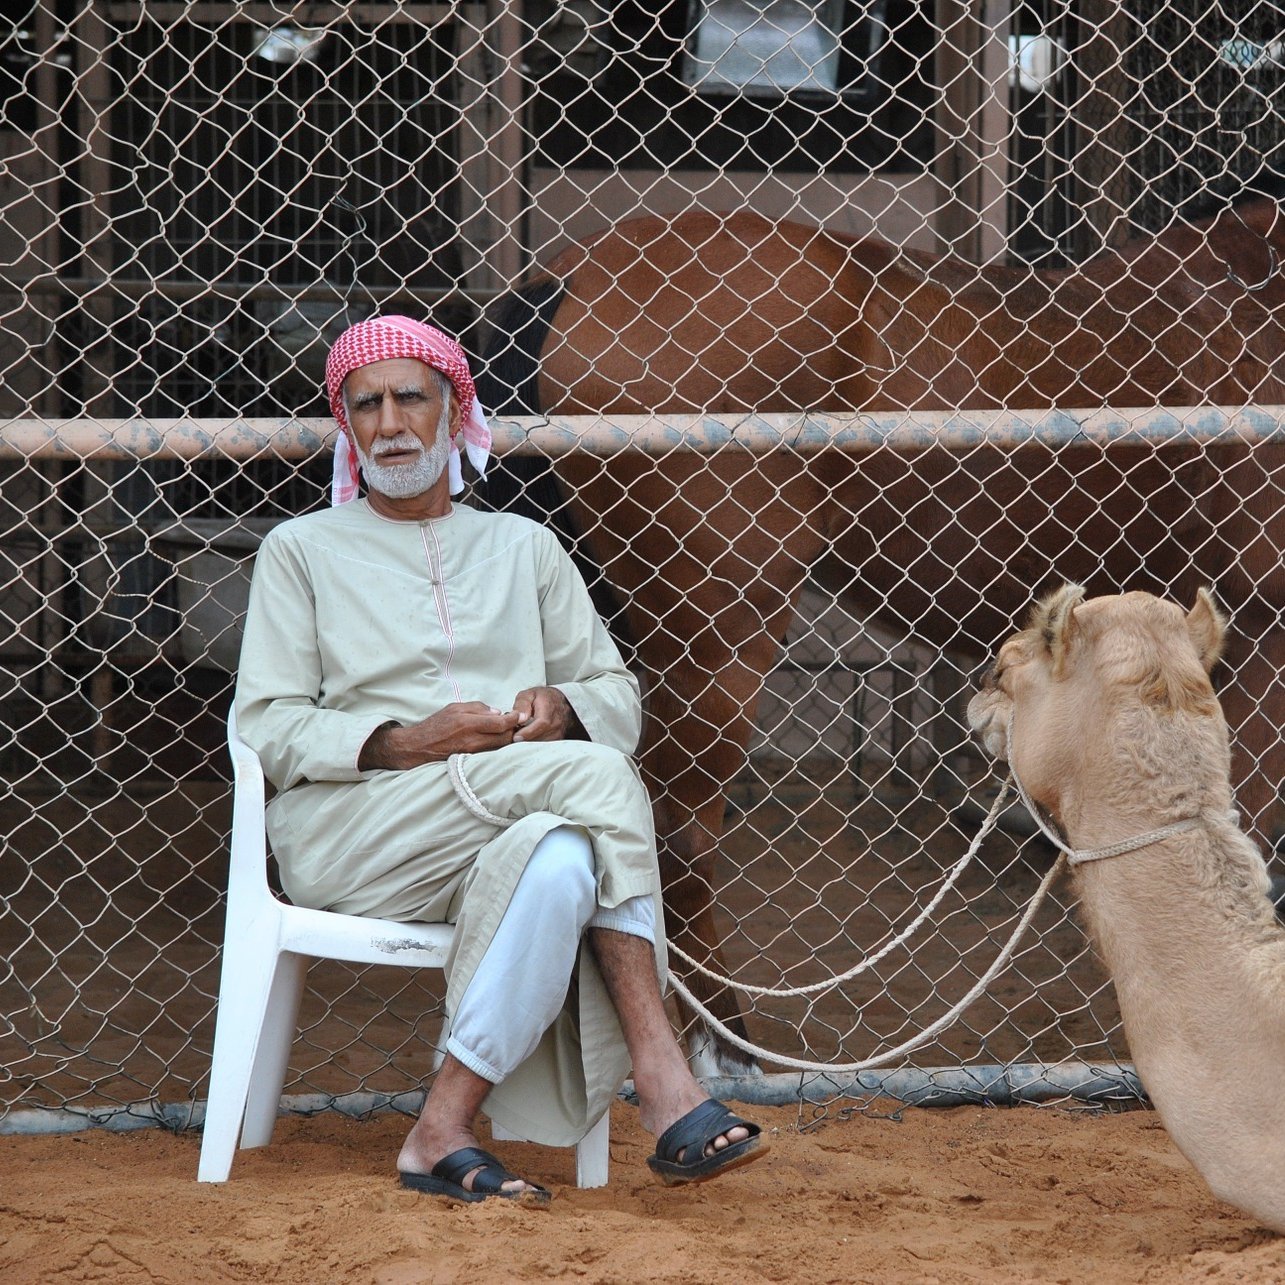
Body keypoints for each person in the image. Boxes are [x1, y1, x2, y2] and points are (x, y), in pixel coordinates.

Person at [234, 314, 766, 1204]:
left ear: (454, 409)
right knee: (597, 780)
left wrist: (566, 706)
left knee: (564, 860)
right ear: (347, 425)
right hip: (357, 827)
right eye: (367, 405)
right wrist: (403, 741)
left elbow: (614, 691)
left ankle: (439, 1128)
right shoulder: (301, 552)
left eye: (411, 397)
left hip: (508, 821)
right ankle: (663, 1073)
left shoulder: (525, 546)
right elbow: (267, 723)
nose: (391, 423)